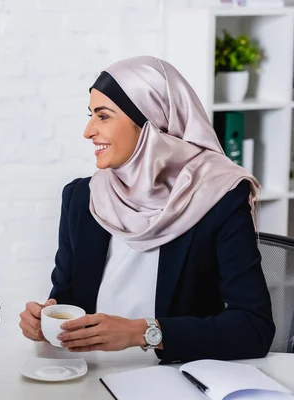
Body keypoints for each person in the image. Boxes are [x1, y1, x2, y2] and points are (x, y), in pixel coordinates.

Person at [19, 56, 275, 363]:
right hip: (89, 378)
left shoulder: (219, 197)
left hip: (175, 380)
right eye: (90, 116)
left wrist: (141, 333)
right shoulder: (81, 198)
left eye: (103, 116)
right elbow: (68, 297)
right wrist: (47, 318)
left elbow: (253, 328)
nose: (88, 131)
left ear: (151, 123)